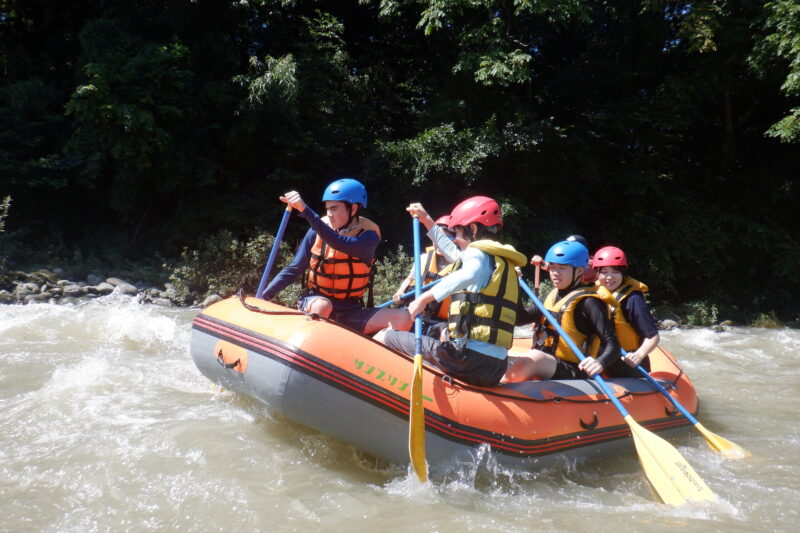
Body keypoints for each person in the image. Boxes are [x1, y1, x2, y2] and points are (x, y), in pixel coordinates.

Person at [380, 196, 526, 387]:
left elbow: (468, 273)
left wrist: (425, 298)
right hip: (495, 367)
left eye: (457, 231)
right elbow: (451, 252)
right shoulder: (498, 261)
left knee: (384, 337)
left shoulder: (476, 254)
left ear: (473, 229)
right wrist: (426, 219)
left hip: (466, 359)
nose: (455, 238)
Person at [261, 178, 412, 335]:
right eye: (327, 209)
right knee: (323, 307)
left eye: (334, 209)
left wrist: (305, 210)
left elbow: (340, 243)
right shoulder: (317, 230)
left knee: (403, 317)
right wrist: (264, 297)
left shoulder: (369, 235)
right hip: (316, 300)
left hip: (351, 310)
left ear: (353, 209)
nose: (329, 215)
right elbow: (294, 269)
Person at [502, 240, 622, 382]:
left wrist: (599, 363)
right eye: (552, 268)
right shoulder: (550, 296)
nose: (555, 273)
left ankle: (502, 387)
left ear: (579, 271)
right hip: (548, 363)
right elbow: (520, 319)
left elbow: (613, 345)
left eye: (562, 268)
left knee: (534, 357)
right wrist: (514, 285)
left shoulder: (589, 302)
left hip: (574, 369)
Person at [593, 246, 659, 374]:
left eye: (615, 272)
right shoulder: (593, 292)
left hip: (625, 361)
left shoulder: (633, 299)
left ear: (623, 273)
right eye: (604, 272)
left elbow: (653, 336)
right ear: (597, 274)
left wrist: (639, 355)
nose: (609, 277)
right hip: (600, 357)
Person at [530, 234, 597, 284]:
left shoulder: (591, 263)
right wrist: (542, 263)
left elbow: (575, 271)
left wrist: (543, 264)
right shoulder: (570, 263)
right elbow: (563, 267)